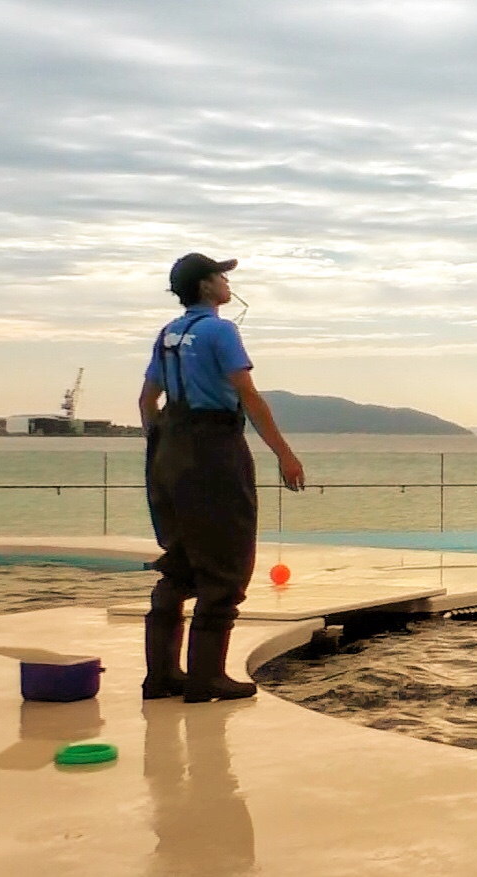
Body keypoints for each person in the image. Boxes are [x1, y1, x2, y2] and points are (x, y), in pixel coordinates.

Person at [139, 254, 304, 704]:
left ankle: (162, 677)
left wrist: (164, 447)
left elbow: (146, 401)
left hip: (170, 448)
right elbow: (248, 396)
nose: (228, 281)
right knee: (225, 560)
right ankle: (206, 677)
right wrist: (285, 454)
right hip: (213, 448)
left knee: (180, 559)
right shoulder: (220, 330)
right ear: (206, 286)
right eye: (221, 275)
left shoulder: (169, 335)